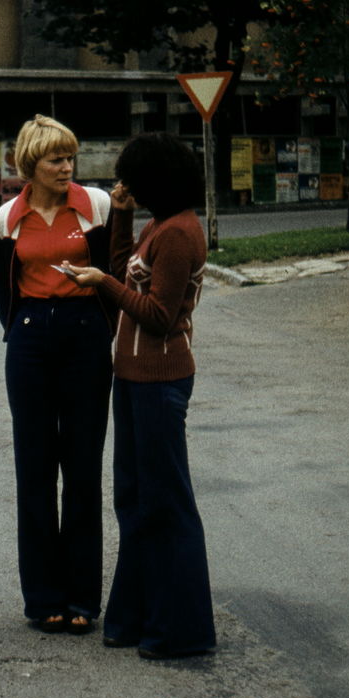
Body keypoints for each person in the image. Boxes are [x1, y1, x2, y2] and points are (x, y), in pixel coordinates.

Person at [63, 132, 217, 659]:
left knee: (165, 505)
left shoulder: (179, 233)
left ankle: (182, 631)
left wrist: (100, 285)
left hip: (160, 378)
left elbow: (157, 315)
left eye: (131, 177)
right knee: (134, 500)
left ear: (158, 178)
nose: (122, 184)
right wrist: (124, 219)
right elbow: (126, 268)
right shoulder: (158, 224)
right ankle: (133, 618)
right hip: (132, 377)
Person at [0, 115, 133, 635]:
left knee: (82, 466)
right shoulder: (8, 216)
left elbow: (115, 265)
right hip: (29, 338)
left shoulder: (94, 205)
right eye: (55, 159)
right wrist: (21, 329)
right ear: (31, 164)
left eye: (69, 157)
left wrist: (101, 327)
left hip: (84, 335)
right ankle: (42, 598)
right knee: (34, 469)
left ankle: (82, 599)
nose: (65, 166)